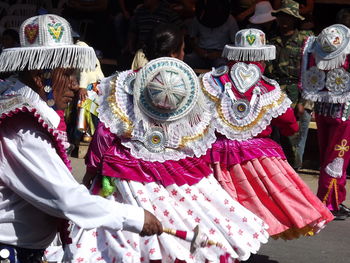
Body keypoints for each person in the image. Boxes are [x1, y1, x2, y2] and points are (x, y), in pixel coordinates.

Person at [65, 28, 269, 262]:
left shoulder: (122, 84)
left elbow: (104, 133)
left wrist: (92, 169)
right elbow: (198, 134)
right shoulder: (190, 88)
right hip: (175, 168)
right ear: (175, 54)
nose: (184, 54)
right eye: (183, 50)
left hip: (126, 171)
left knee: (122, 233)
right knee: (184, 216)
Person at [0, 14, 163, 263]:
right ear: (38, 75)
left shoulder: (19, 107)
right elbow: (66, 199)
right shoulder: (22, 126)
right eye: (68, 74)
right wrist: (135, 217)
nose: (76, 85)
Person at [201, 28, 334, 239]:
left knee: (218, 207)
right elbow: (289, 124)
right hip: (256, 157)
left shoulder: (211, 81)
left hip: (214, 155)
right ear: (262, 57)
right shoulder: (268, 88)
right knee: (259, 203)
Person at [300, 24, 350, 220]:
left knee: (328, 157)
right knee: (337, 159)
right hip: (343, 111)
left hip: (322, 108)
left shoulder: (313, 46)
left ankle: (332, 199)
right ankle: (328, 202)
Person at [266, 0, 313, 170]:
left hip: (296, 93)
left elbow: (311, 73)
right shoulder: (273, 41)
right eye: (281, 17)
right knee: (274, 136)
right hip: (275, 92)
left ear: (295, 19)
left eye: (288, 17)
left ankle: (295, 171)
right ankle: (278, 170)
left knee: (294, 138)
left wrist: (304, 101)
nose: (283, 21)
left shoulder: (305, 41)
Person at [184, 0, 239, 69]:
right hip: (200, 53)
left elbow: (236, 44)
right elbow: (191, 37)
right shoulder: (199, 18)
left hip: (220, 55)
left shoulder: (230, 20)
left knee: (222, 66)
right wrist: (197, 49)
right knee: (187, 60)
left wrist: (221, 53)